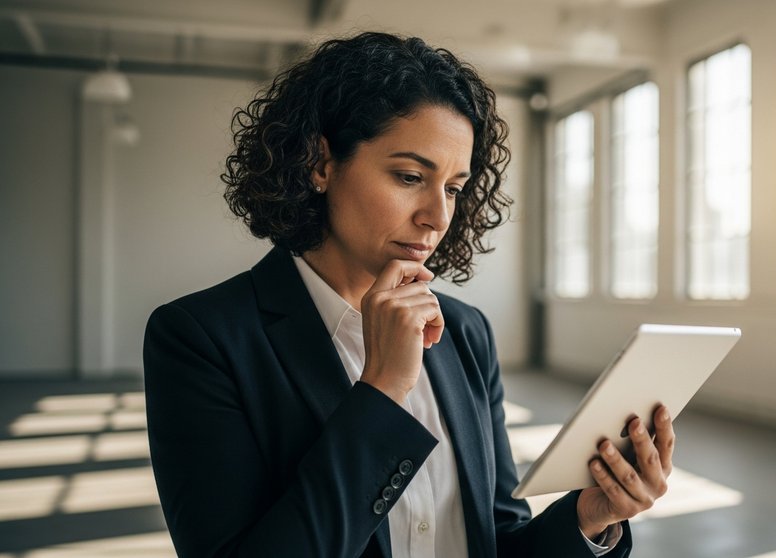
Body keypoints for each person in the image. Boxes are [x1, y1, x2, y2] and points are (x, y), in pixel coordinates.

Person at [143, 32, 675, 558]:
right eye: (408, 176)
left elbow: (497, 539)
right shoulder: (201, 340)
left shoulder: (465, 332)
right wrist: (383, 391)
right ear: (320, 163)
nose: (437, 217)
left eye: (453, 188)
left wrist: (587, 519)